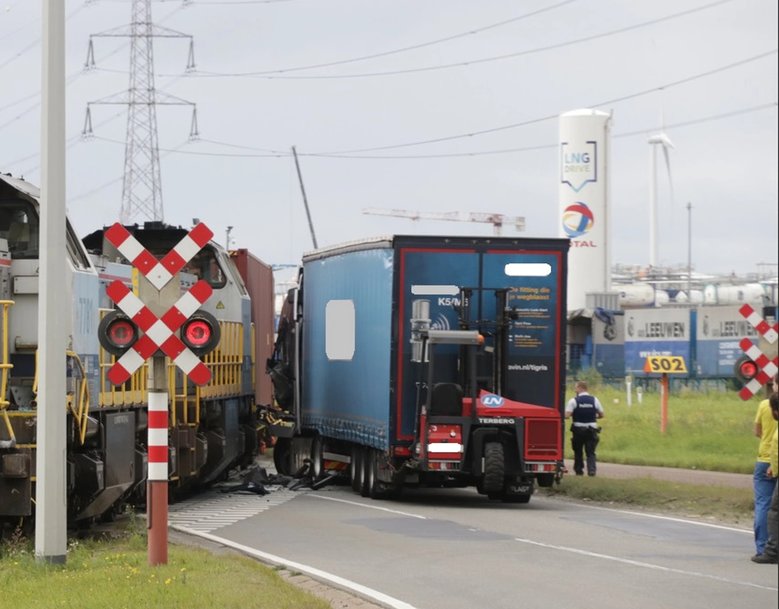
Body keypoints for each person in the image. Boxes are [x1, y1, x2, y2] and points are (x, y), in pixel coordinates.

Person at [752, 375, 778, 558]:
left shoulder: (764, 405)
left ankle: (763, 547)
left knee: (764, 504)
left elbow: (757, 431)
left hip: (765, 459)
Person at [565, 380, 604, 476]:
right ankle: (591, 470)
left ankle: (579, 471)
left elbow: (566, 415)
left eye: (576, 387)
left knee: (578, 451)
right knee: (591, 452)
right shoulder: (595, 400)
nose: (575, 390)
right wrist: (594, 416)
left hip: (578, 430)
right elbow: (602, 415)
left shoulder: (573, 401)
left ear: (580, 388)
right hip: (591, 430)